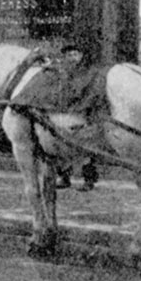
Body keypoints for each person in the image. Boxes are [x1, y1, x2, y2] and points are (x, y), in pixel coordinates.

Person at [53, 43, 99, 192]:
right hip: (66, 112)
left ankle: (88, 180)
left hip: (84, 113)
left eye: (74, 54)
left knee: (85, 149)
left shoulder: (89, 72)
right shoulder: (64, 72)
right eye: (68, 55)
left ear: (81, 55)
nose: (72, 58)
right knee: (62, 146)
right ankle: (64, 178)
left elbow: (88, 93)